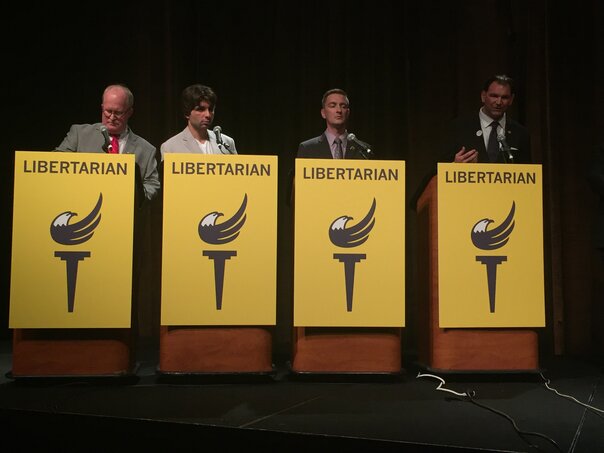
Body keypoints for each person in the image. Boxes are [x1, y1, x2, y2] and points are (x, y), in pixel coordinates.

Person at [56, 83, 160, 203]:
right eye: (108, 111)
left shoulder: (146, 149)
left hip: (123, 209)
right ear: (102, 108)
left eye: (118, 112)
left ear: (129, 112)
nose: (112, 117)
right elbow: (56, 164)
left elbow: (152, 185)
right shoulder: (79, 135)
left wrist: (135, 196)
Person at [442, 74, 531, 164]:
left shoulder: (521, 133)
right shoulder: (458, 128)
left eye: (504, 97)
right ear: (483, 96)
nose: (499, 102)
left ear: (511, 100)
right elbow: (439, 168)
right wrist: (454, 165)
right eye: (494, 96)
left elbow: (528, 170)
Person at [161, 84, 236, 159]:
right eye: (200, 109)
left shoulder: (227, 143)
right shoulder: (170, 147)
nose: (208, 115)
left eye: (211, 109)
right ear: (187, 113)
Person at [297, 88, 371, 160]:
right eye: (332, 106)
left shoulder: (364, 150)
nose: (339, 110)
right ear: (323, 113)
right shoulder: (307, 148)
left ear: (348, 113)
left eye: (343, 106)